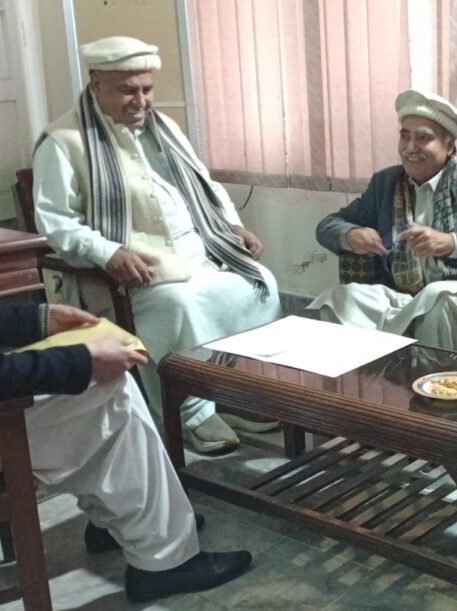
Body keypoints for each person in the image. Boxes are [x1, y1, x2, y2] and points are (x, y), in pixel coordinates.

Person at [0, 50, 254, 606]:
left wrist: (40, 318)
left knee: (108, 388)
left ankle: (128, 525)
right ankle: (163, 558)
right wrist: (81, 362)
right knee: (108, 389)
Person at [33, 36, 281, 454]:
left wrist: (233, 227)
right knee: (180, 304)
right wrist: (107, 252)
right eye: (127, 90)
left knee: (260, 282)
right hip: (135, 272)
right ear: (96, 85)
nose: (141, 101)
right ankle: (190, 412)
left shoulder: (164, 128)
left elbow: (207, 186)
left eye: (146, 89)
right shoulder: (64, 141)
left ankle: (237, 393)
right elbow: (56, 223)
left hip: (200, 253)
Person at [309, 89, 457, 354]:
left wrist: (451, 243)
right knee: (338, 300)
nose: (410, 147)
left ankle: (437, 380)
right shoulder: (386, 183)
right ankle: (369, 380)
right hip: (405, 297)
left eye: (423, 138)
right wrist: (350, 234)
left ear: (449, 146)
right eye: (405, 136)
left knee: (440, 297)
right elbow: (328, 225)